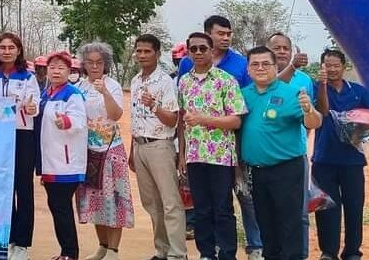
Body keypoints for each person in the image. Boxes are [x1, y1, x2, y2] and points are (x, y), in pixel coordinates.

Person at [177, 16, 261, 259]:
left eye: (203, 48)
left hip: (221, 156)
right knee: (201, 209)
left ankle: (227, 253)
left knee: (223, 208)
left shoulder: (226, 81)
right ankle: (206, 253)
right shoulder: (184, 82)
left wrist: (204, 119)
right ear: (188, 52)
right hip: (194, 156)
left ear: (211, 50)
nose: (198, 53)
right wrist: (182, 155)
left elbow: (236, 120)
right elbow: (182, 120)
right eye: (194, 49)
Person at [240, 46, 323, 260]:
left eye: (266, 64)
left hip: (287, 169)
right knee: (266, 223)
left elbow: (314, 122)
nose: (260, 68)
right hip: (257, 171)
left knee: (290, 223)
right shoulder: (243, 95)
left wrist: (309, 110)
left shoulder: (291, 93)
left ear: (276, 67)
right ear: (248, 69)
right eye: (255, 64)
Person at [312, 49, 369, 260]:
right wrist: (322, 85)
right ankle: (328, 252)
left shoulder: (357, 91)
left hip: (352, 161)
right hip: (324, 160)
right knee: (326, 208)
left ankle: (352, 252)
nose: (332, 69)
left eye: (336, 65)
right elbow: (323, 111)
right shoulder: (315, 88)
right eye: (328, 65)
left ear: (344, 67)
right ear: (322, 67)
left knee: (354, 207)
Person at [128, 34, 187, 260]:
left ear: (157, 53)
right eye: (139, 51)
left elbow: (173, 120)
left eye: (147, 51)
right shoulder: (135, 81)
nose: (142, 55)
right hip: (140, 145)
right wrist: (132, 150)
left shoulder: (165, 82)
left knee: (170, 202)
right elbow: (135, 118)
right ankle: (162, 250)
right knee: (152, 203)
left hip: (160, 146)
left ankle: (178, 254)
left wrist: (154, 105)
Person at [74, 42, 133, 260]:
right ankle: (102, 246)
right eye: (90, 62)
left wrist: (105, 92)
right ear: (84, 64)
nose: (94, 66)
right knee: (95, 200)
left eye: (99, 62)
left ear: (105, 64)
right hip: (88, 152)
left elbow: (116, 115)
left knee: (114, 200)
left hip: (111, 150)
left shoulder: (113, 85)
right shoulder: (79, 87)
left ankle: (113, 251)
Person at [268, 32, 321, 259]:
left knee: (299, 211)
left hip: (296, 155)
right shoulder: (261, 78)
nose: (281, 51)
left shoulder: (304, 80)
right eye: (276, 48)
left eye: (285, 48)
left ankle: (301, 255)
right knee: (272, 211)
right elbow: (272, 88)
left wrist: (301, 138)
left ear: (291, 51)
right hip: (266, 157)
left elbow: (310, 115)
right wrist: (291, 67)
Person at [0, 33, 40, 260]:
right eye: (2, 47)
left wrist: (32, 109)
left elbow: (35, 104)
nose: (7, 51)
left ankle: (22, 244)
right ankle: (7, 239)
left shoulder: (28, 77)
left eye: (11, 47)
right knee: (3, 189)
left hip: (22, 136)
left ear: (18, 50)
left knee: (23, 189)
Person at [36, 51, 88, 260]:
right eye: (52, 67)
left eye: (61, 68)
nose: (56, 71)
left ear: (69, 71)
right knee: (57, 206)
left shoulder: (72, 94)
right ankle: (66, 251)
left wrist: (66, 122)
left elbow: (80, 120)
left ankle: (70, 253)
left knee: (61, 206)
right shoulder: (47, 93)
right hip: (50, 161)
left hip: (66, 162)